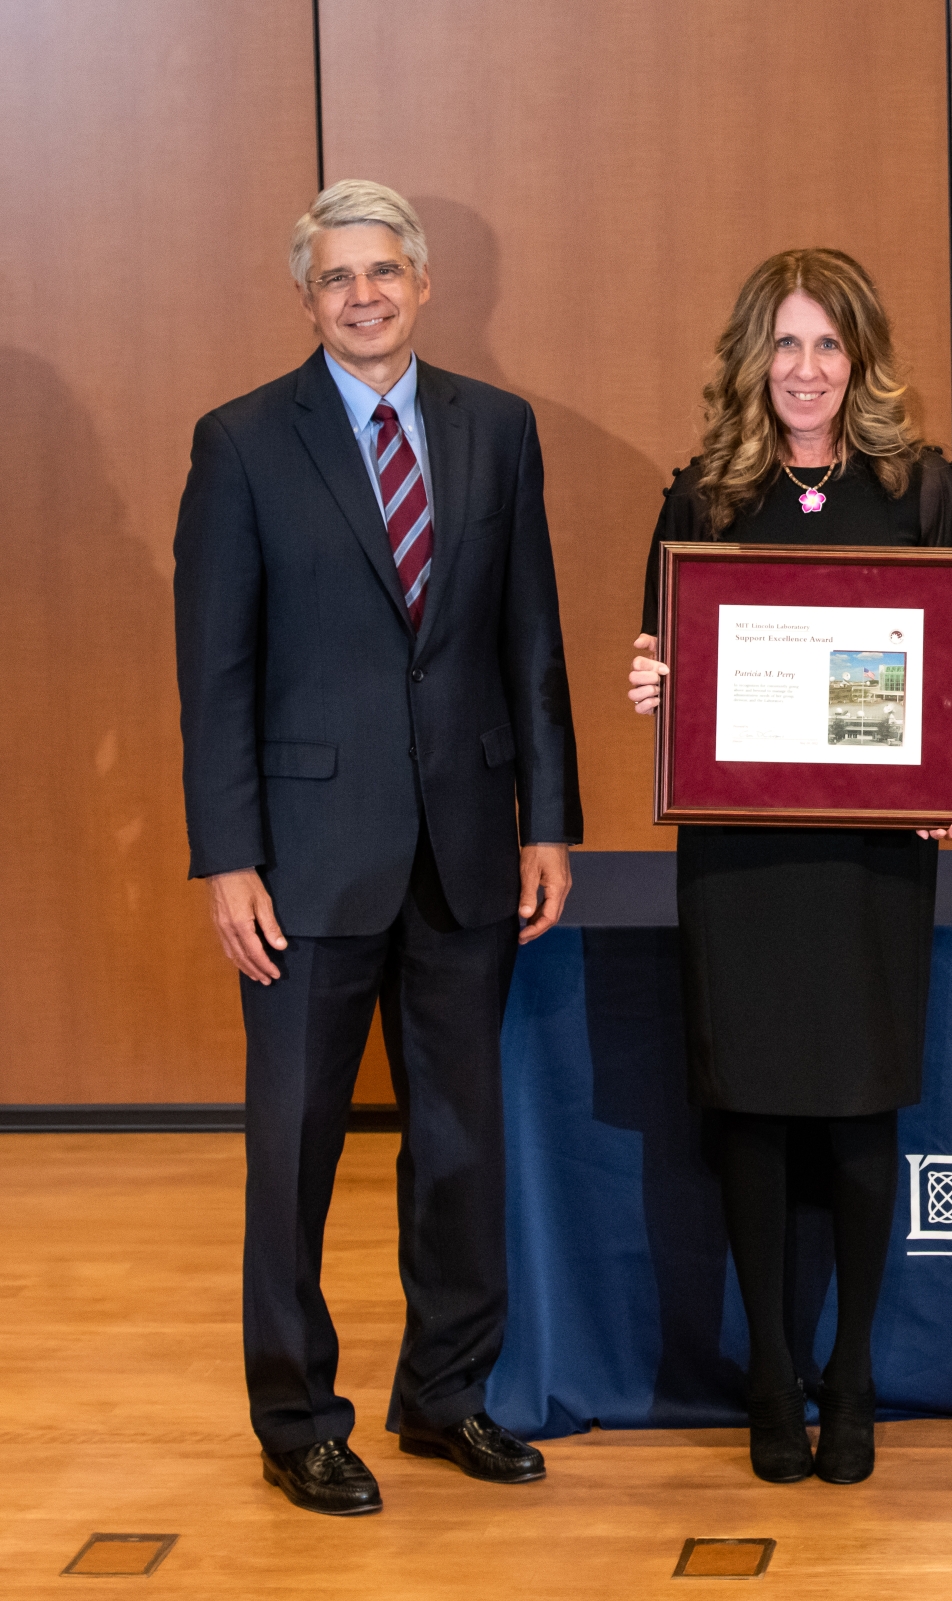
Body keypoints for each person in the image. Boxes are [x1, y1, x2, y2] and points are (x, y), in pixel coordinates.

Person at [173, 181, 582, 1515]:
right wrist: (227, 854)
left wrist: (551, 817)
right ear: (308, 297)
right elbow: (214, 668)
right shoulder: (240, 443)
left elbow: (533, 640)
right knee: (294, 1151)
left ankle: (445, 1393)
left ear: (423, 281)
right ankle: (296, 1414)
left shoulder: (497, 429)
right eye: (337, 276)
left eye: (385, 270)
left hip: (466, 847)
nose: (364, 293)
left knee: (460, 1141)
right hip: (302, 863)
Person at [626, 249, 952, 1486]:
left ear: (863, 360)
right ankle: (773, 1375)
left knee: (854, 1114)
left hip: (872, 861)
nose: (805, 370)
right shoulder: (701, 500)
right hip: (743, 862)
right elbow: (667, 664)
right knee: (755, 1116)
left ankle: (855, 1375)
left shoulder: (923, 493)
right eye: (783, 345)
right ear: (751, 360)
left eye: (827, 345)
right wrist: (655, 689)